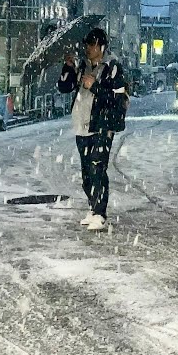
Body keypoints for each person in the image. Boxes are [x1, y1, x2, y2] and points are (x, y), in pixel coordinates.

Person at [57, 28, 130, 230]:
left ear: (101, 46)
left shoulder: (112, 67)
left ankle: (100, 212)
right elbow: (64, 87)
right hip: (81, 124)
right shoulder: (83, 65)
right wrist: (68, 66)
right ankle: (93, 207)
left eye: (92, 45)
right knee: (86, 172)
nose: (88, 48)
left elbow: (117, 99)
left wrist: (95, 85)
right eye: (87, 45)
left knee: (98, 167)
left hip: (102, 125)